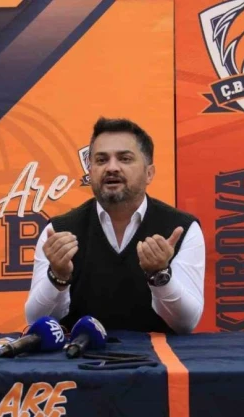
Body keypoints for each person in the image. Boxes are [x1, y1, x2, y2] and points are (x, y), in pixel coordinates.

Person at [25, 117, 205, 334]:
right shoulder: (58, 231)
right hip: (79, 353)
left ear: (149, 173)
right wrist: (58, 276)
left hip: (158, 354)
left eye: (125, 159)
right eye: (101, 160)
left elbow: (186, 323)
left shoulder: (181, 229)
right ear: (90, 172)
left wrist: (160, 275)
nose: (111, 168)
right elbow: (35, 321)